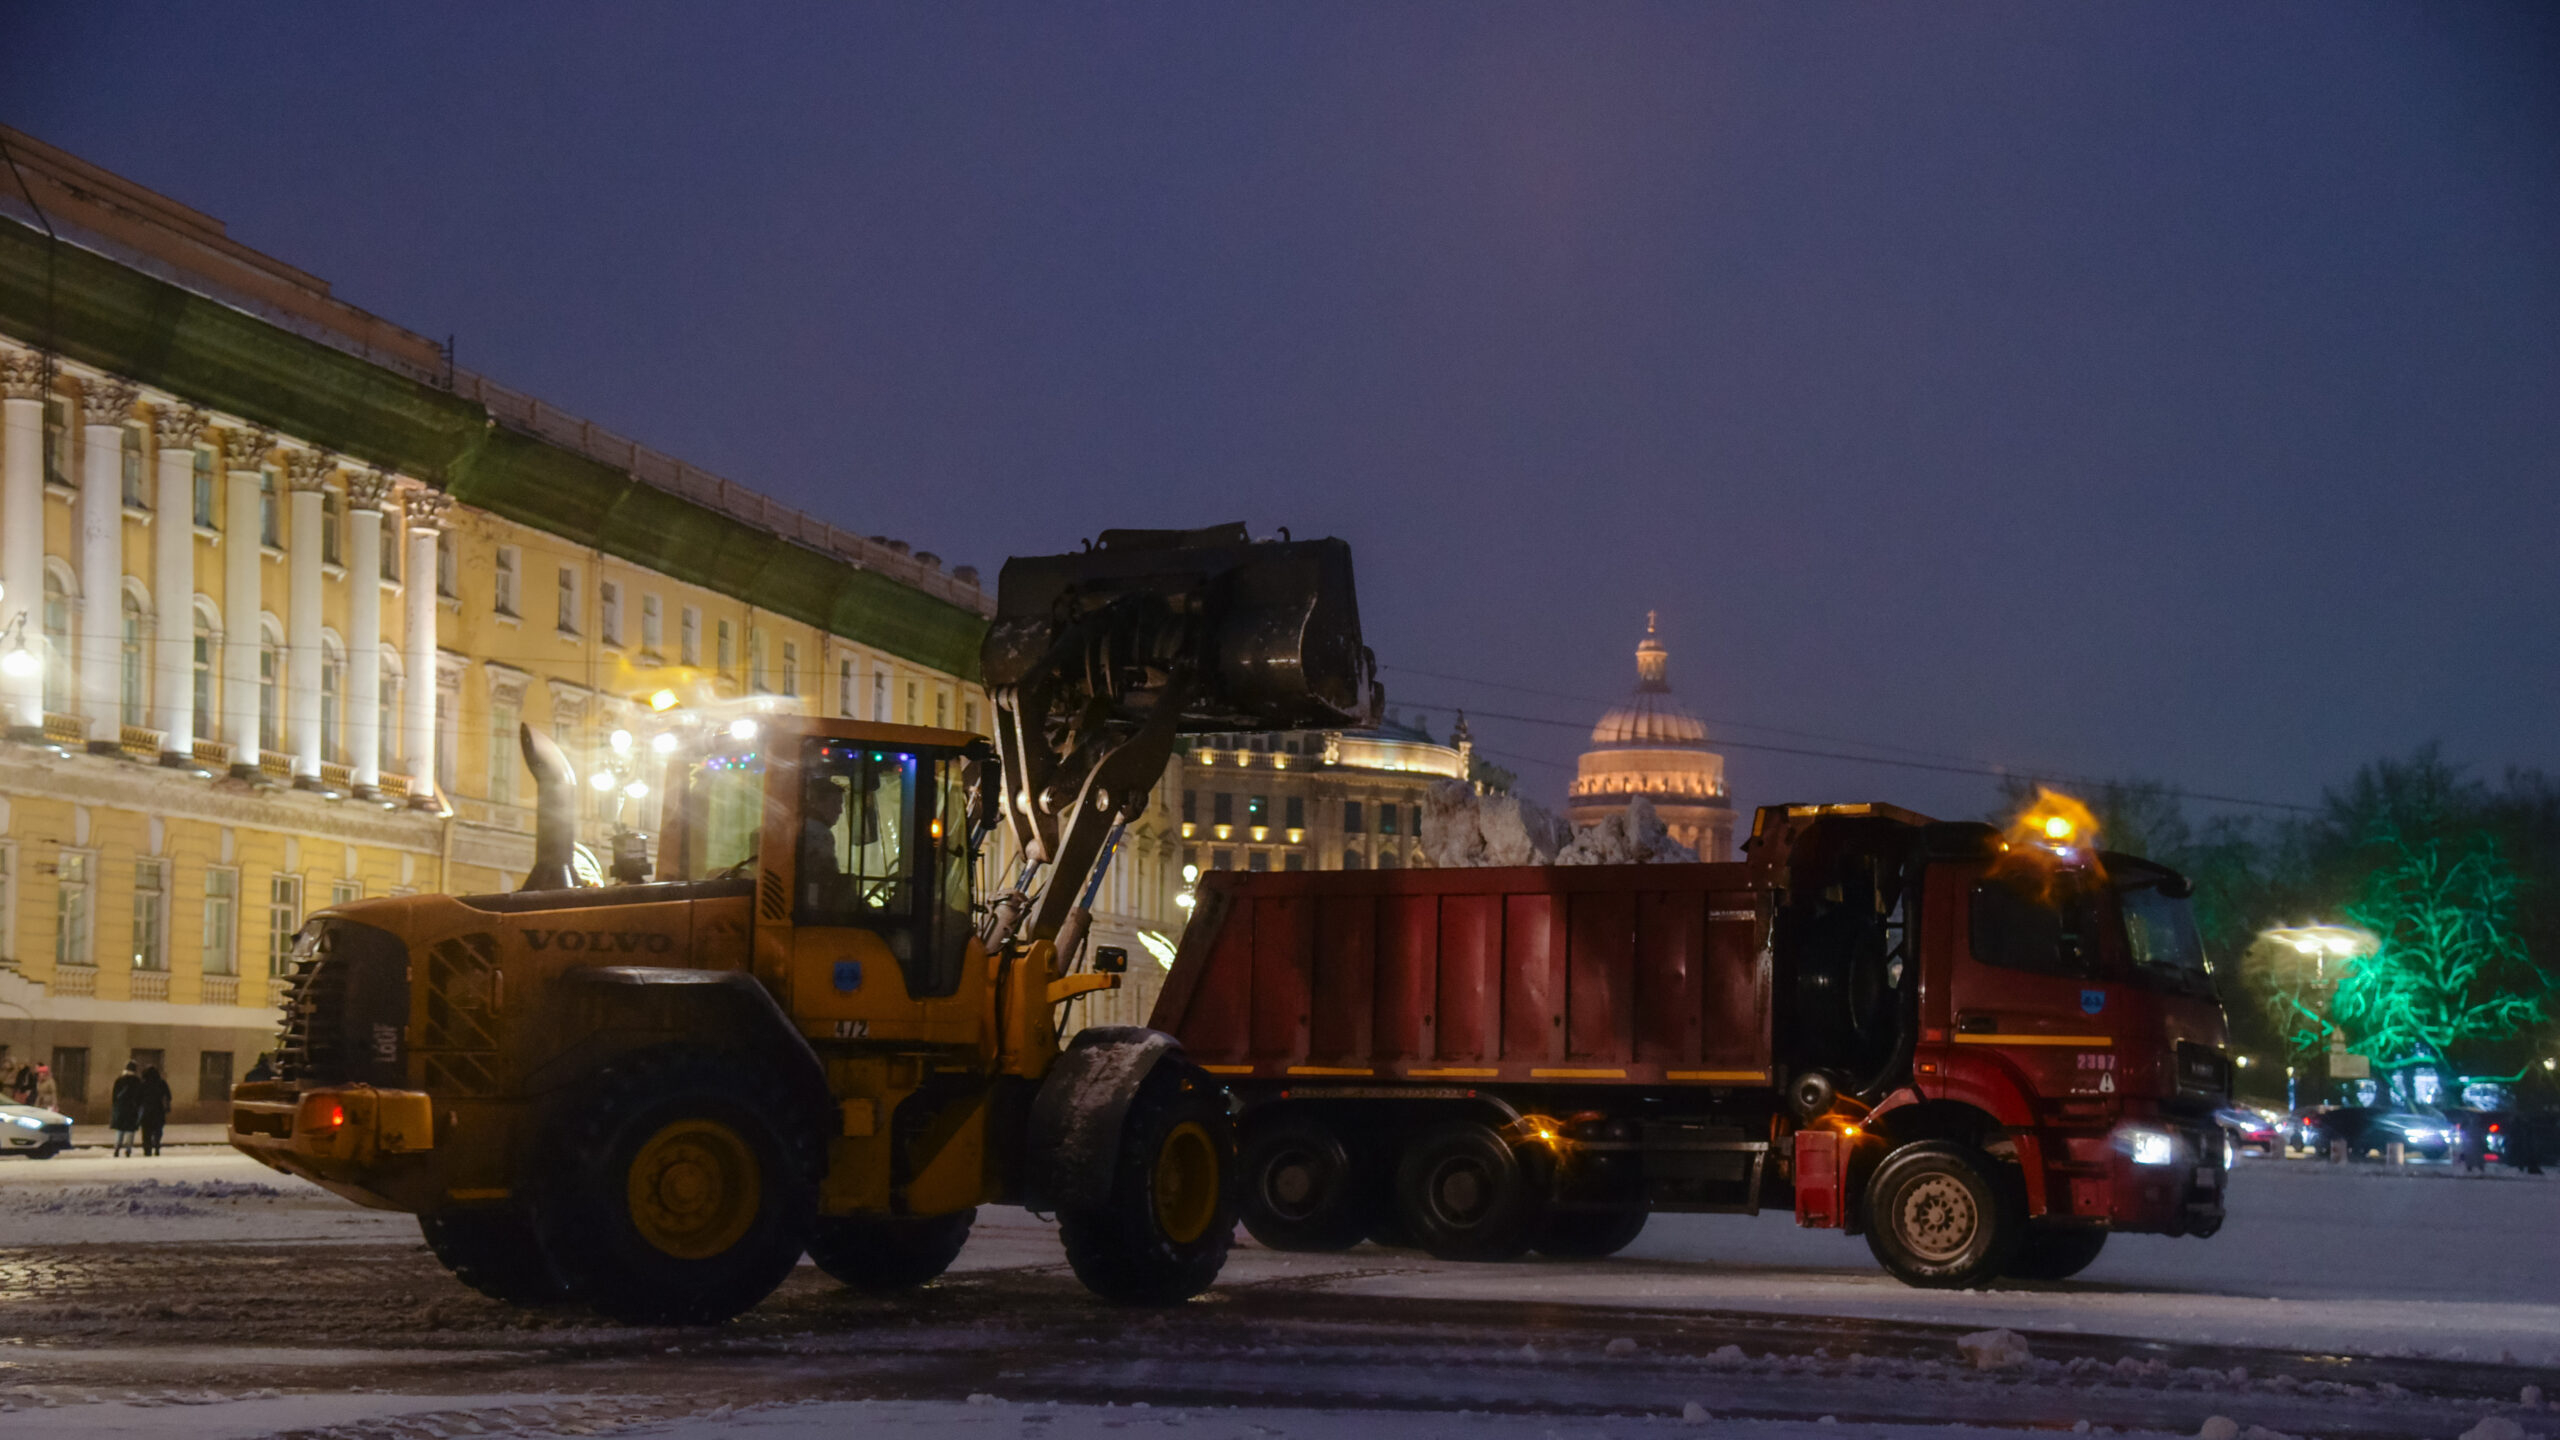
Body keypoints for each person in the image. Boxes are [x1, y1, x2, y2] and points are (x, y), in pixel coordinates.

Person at [109, 1061, 143, 1157]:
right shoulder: (137, 1081)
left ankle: (117, 1148)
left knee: (120, 1130)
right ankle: (128, 1149)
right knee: (130, 1130)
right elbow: (140, 1097)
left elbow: (114, 1096)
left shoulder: (120, 1080)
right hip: (132, 1109)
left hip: (120, 1108)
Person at [137, 1064, 172, 1157]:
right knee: (157, 1130)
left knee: (146, 1132)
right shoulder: (161, 1083)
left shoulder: (143, 1084)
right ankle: (156, 1146)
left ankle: (147, 1149)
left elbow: (138, 1098)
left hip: (146, 1111)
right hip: (158, 1110)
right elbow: (168, 1096)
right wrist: (167, 1107)